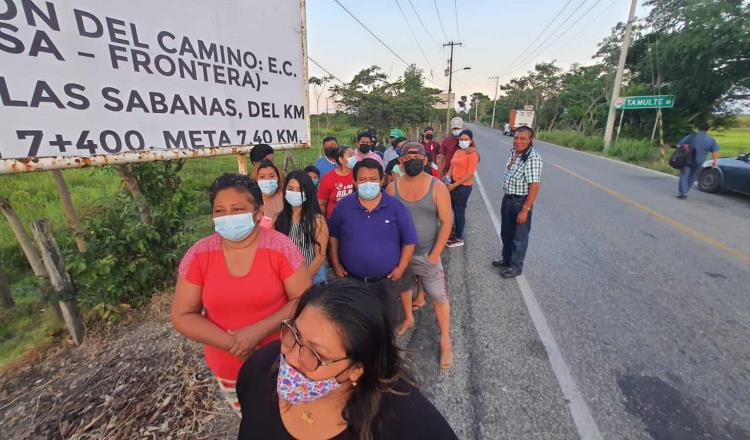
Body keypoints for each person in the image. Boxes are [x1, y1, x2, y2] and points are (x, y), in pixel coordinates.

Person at [236, 279, 459, 440]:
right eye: (294, 335)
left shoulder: (404, 418)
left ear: (356, 370)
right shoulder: (261, 366)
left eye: (317, 354)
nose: (291, 357)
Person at [171, 173, 311, 413]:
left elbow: (305, 300)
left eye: (237, 209)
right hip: (229, 369)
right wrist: (234, 344)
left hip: (283, 363)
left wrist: (258, 331)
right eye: (220, 211)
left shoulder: (280, 248)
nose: (228, 217)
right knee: (253, 422)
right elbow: (182, 314)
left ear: (257, 213)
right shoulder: (199, 255)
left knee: (293, 420)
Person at [386, 142, 454, 369]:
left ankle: (445, 340)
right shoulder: (393, 189)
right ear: (401, 162)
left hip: (427, 255)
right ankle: (408, 318)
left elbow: (446, 222)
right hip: (401, 255)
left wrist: (435, 255)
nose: (412, 160)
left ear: (425, 160)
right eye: (407, 157)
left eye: (417, 156)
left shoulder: (437, 187)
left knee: (438, 297)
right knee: (405, 288)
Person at [328, 159, 417, 328]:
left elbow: (409, 240)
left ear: (382, 180)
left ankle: (386, 351)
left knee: (387, 322)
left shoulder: (395, 207)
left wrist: (401, 269)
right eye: (362, 180)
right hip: (353, 280)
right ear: (354, 182)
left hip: (386, 281)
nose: (368, 183)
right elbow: (333, 237)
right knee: (356, 322)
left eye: (373, 179)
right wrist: (336, 264)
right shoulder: (344, 206)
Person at [492, 126, 542, 278]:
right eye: (516, 138)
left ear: (530, 140)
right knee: (506, 233)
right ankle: (506, 260)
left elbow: (534, 186)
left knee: (519, 237)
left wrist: (525, 209)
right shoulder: (513, 152)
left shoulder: (533, 158)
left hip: (520, 202)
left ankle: (516, 266)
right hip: (508, 200)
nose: (518, 141)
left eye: (522, 139)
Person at [275, 171, 329, 285]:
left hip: (312, 278)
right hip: (287, 279)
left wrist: (303, 280)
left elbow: (320, 256)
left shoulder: (317, 220)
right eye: (290, 188)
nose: (295, 193)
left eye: (300, 189)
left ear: (308, 192)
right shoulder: (280, 219)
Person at [445, 130, 479, 248]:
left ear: (470, 140)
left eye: (466, 139)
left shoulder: (473, 154)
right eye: (461, 139)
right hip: (453, 183)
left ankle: (459, 238)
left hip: (463, 187)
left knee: (459, 212)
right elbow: (452, 165)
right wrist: (447, 179)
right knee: (453, 209)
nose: (463, 141)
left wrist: (453, 186)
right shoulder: (458, 151)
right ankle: (454, 232)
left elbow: (469, 174)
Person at [676, 121, 719, 199]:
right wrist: (714, 162)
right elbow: (715, 152)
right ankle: (685, 191)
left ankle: (683, 193)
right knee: (692, 177)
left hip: (687, 160)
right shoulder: (711, 140)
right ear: (708, 129)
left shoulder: (692, 136)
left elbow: (679, 145)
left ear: (698, 128)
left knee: (684, 175)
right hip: (700, 161)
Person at [318, 145, 356, 219]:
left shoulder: (357, 174)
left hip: (353, 217)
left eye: (354, 155)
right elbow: (321, 203)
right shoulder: (328, 178)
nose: (354, 158)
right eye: (350, 155)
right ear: (341, 160)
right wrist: (322, 222)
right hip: (333, 218)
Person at [252, 160, 285, 228]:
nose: (268, 180)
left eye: (272, 176)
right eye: (262, 177)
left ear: (278, 177)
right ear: (255, 179)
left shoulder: (285, 196)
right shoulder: (250, 202)